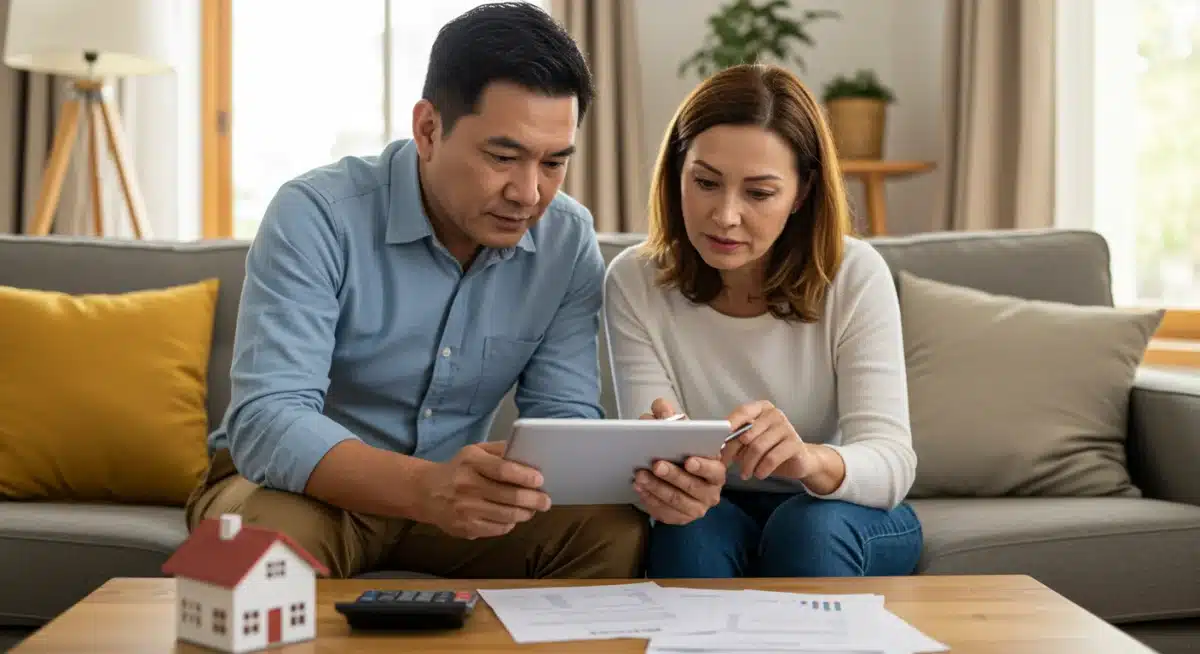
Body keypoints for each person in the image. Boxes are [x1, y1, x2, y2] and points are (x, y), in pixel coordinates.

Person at [186, 2, 647, 580]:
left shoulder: (566, 240)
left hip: (454, 500)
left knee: (614, 530)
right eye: (503, 157)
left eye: (554, 162)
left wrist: (633, 470)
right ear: (428, 129)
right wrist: (424, 488)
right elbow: (269, 419)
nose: (530, 193)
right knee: (257, 554)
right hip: (296, 491)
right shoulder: (317, 214)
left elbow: (564, 417)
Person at [602, 63, 922, 579]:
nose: (725, 216)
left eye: (758, 193)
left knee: (806, 529)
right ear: (676, 174)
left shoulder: (855, 274)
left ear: (801, 193)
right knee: (689, 533)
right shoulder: (634, 280)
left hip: (839, 511)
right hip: (717, 509)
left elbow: (891, 464)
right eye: (705, 183)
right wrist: (666, 480)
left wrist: (808, 461)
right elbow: (649, 463)